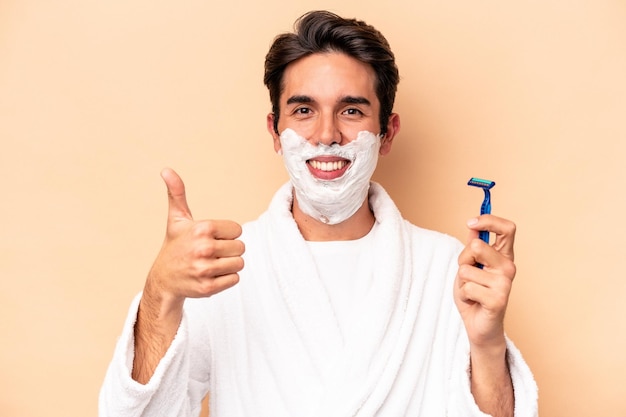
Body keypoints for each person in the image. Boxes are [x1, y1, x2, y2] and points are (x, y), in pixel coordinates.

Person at [99, 10, 537, 417]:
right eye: (304, 110)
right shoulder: (223, 268)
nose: (327, 135)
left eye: (351, 110)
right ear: (275, 131)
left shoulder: (443, 268)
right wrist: (160, 295)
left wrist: (487, 343)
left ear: (387, 134)